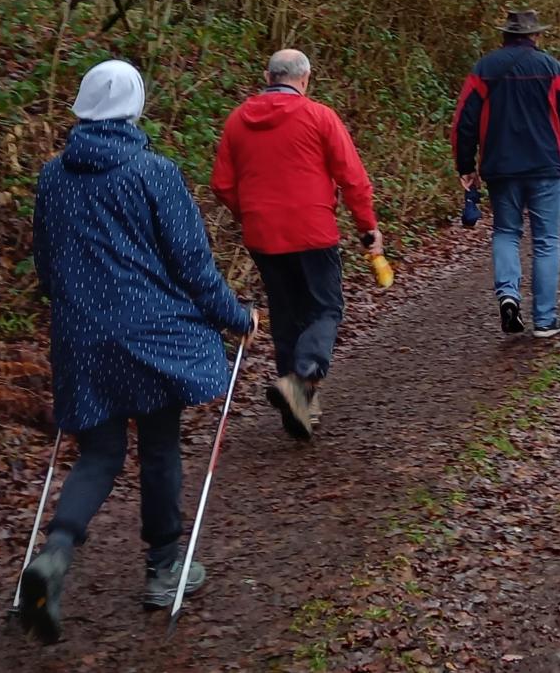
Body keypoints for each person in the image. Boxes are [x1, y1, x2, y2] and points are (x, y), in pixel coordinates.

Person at [20, 61, 257, 643]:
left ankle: (53, 555)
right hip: (152, 336)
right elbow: (193, 266)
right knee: (158, 447)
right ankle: (163, 569)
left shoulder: (54, 177)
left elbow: (46, 267)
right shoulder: (154, 172)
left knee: (98, 455)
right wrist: (237, 316)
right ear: (135, 107)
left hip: (81, 337)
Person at [212, 48, 380, 440]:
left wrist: (248, 212)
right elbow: (353, 178)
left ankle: (299, 407)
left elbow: (221, 184)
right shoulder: (319, 116)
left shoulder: (238, 121)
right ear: (304, 79)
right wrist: (367, 227)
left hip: (263, 235)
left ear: (269, 77)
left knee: (287, 316)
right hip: (312, 230)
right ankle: (302, 377)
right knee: (325, 308)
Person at [452, 9, 560, 337]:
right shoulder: (552, 68)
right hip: (545, 167)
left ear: (504, 36)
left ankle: (508, 296)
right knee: (546, 240)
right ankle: (544, 319)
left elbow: (464, 122)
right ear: (535, 36)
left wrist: (465, 166)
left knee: (506, 233)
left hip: (500, 167)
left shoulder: (484, 69)